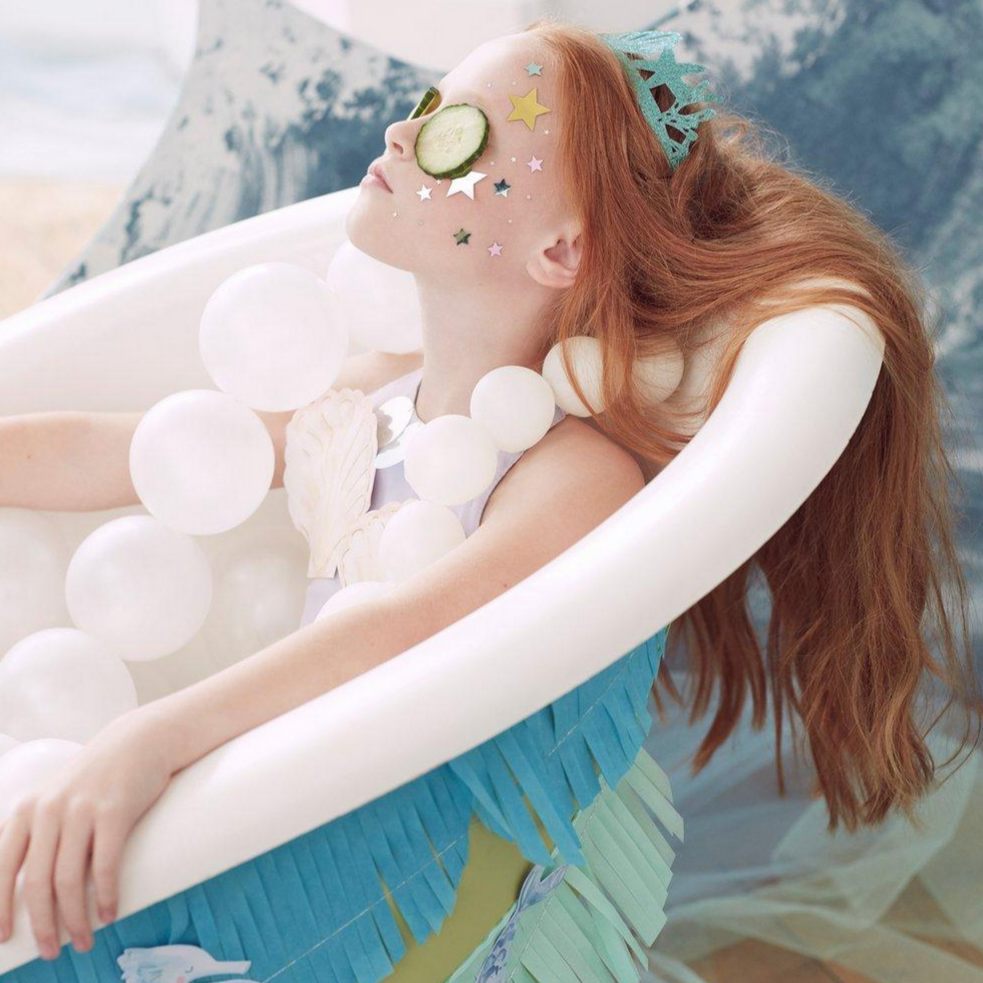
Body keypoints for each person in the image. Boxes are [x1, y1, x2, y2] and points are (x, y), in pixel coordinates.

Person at [0, 17, 978, 982]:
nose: (396, 132)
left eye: (452, 129)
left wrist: (150, 738)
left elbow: (402, 627)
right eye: (425, 103)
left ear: (559, 251)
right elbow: (130, 450)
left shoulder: (568, 472)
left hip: (407, 894)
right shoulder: (379, 395)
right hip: (311, 817)